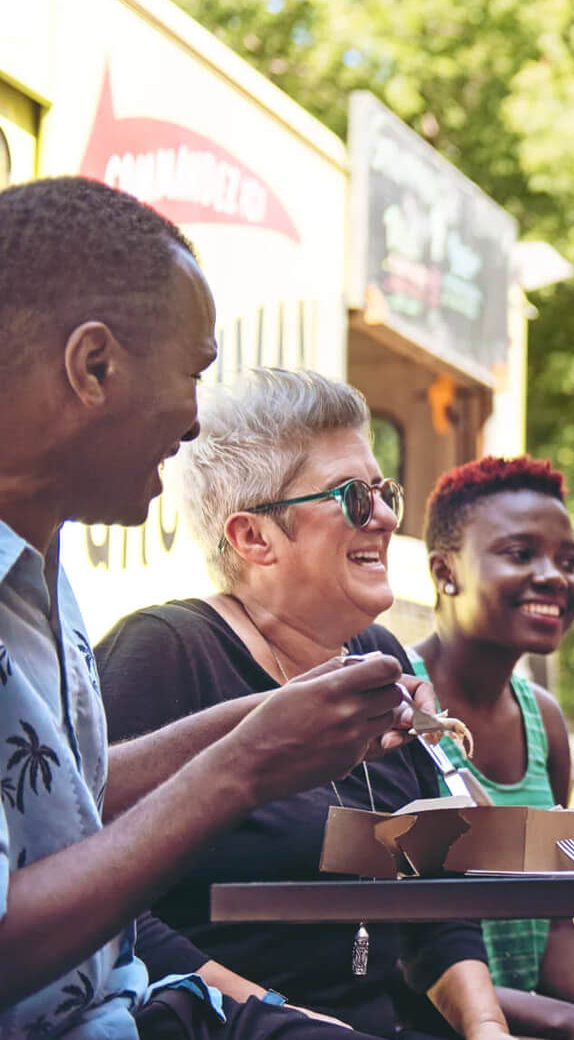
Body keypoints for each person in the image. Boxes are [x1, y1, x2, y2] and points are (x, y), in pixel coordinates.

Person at [0, 177, 427, 1040]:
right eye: (194, 371)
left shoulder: (41, 573)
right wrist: (245, 767)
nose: (197, 427)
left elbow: (64, 800)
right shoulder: (149, 633)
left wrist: (271, 721)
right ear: (94, 366)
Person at [95, 369, 513, 1038]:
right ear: (253, 538)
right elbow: (111, 911)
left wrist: (488, 1027)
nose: (383, 515)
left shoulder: (382, 654)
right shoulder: (166, 650)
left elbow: (435, 897)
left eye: (384, 491)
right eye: (352, 495)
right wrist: (282, 1022)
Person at [409, 455, 574, 1036]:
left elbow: (553, 929)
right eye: (519, 553)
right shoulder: (395, 707)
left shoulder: (545, 722)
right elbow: (390, 951)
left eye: (568, 561)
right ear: (445, 572)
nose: (555, 576)